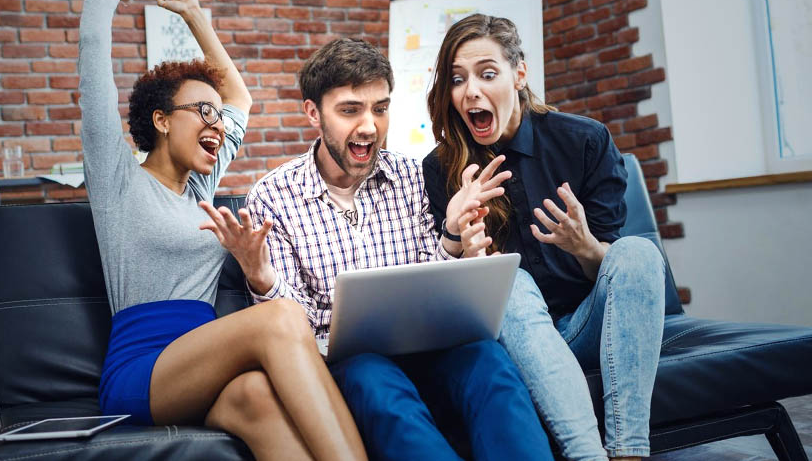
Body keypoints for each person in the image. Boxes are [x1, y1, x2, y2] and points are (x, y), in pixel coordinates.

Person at [73, 0, 366, 460]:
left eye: (216, 113)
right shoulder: (118, 182)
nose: (216, 120)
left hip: (202, 361)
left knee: (255, 397)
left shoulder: (200, 189)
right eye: (200, 112)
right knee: (281, 316)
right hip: (144, 367)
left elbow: (241, 98)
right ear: (160, 121)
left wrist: (196, 17)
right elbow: (94, 68)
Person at [200, 37, 552, 460]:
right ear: (313, 112)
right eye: (351, 110)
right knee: (376, 381)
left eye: (380, 109)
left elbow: (431, 276)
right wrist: (260, 275)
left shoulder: (408, 173)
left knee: (489, 361)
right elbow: (294, 329)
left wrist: (454, 234)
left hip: (431, 348)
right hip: (351, 366)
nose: (369, 126)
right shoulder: (275, 196)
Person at [422, 13, 666, 461]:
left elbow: (612, 271)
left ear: (519, 74)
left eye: (487, 74)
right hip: (514, 340)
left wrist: (586, 247)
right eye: (457, 79)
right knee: (508, 279)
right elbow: (452, 304)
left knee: (636, 252)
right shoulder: (441, 169)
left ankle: (630, 452)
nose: (471, 91)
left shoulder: (584, 141)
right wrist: (467, 258)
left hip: (590, 326)